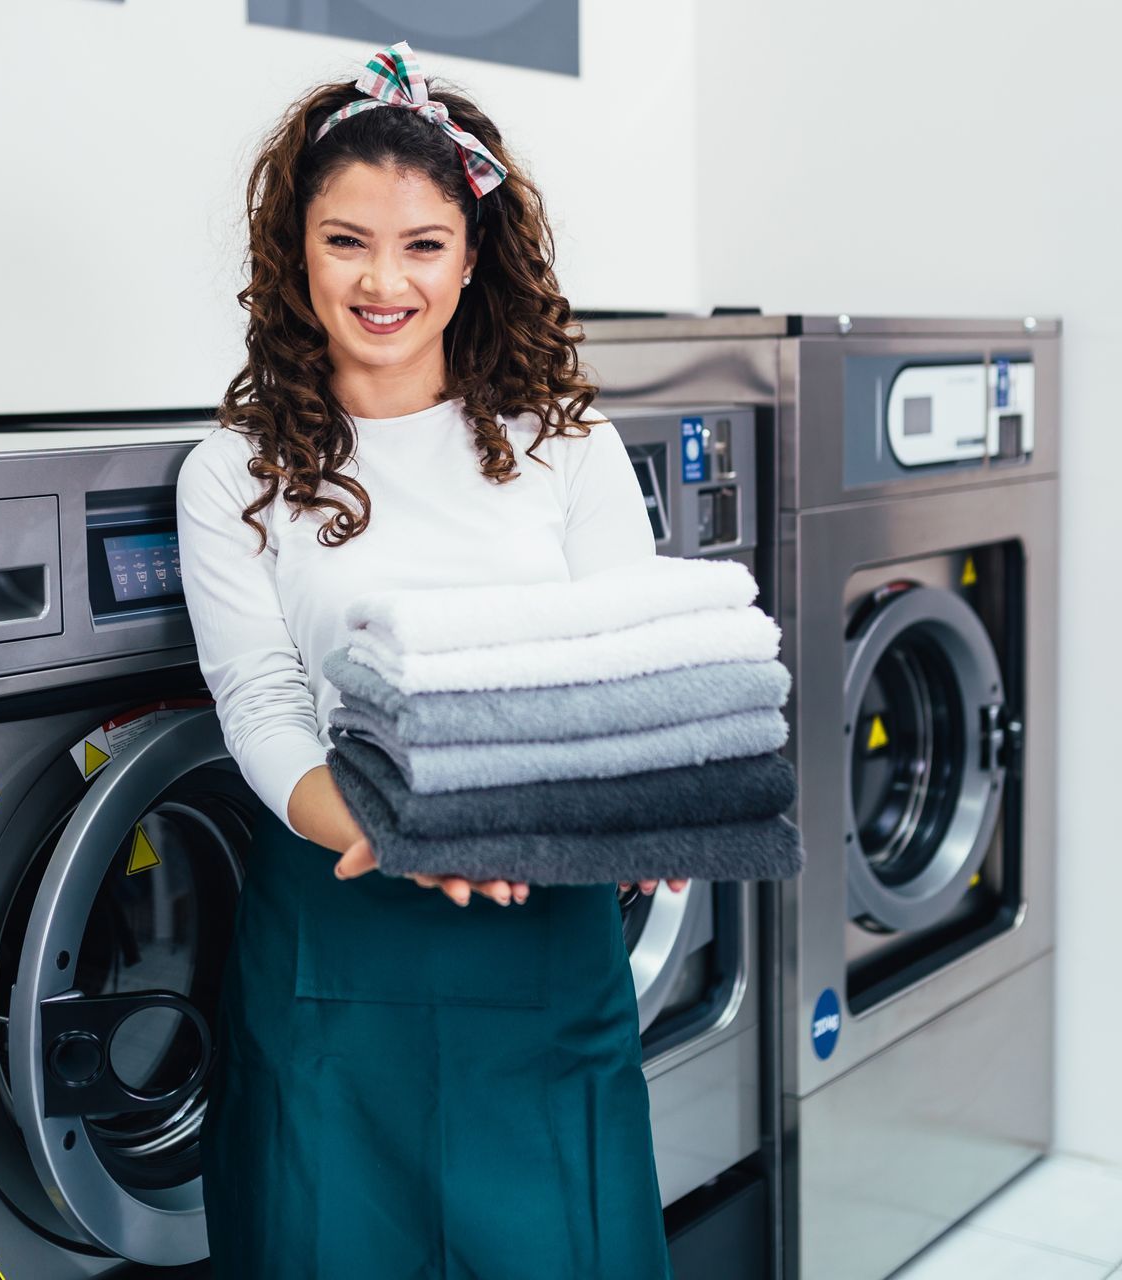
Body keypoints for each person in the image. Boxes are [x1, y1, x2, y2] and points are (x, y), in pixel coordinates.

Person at [174, 41, 680, 1279]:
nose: (382, 280)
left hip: (541, 939)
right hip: (335, 946)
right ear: (296, 253)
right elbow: (264, 702)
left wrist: (653, 814)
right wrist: (397, 823)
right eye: (347, 240)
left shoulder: (564, 447)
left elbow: (637, 677)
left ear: (473, 257)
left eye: (422, 244)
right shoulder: (233, 474)